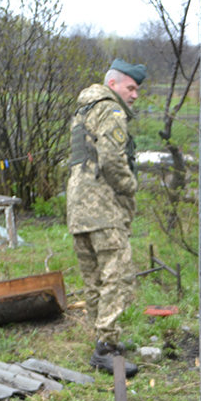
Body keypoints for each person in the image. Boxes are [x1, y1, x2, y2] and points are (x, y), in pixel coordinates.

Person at [67, 58, 146, 377]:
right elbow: (112, 159)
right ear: (113, 84)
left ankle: (102, 342)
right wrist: (131, 186)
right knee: (117, 272)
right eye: (131, 87)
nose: (135, 95)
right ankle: (106, 348)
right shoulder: (111, 110)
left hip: (78, 208)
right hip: (102, 207)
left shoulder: (84, 109)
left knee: (94, 278)